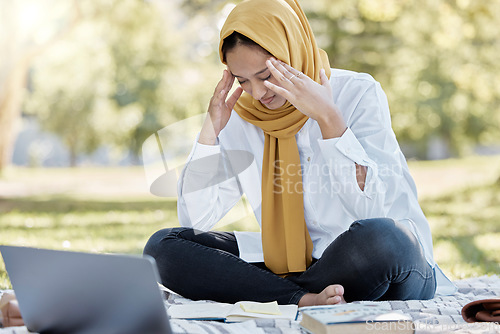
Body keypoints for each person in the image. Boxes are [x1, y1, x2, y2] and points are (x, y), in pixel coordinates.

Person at [144, 0, 455, 307]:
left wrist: (329, 119)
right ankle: (302, 298)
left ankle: (266, 293)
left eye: (266, 76)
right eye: (243, 81)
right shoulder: (242, 113)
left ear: (291, 49)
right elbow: (197, 217)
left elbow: (372, 209)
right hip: (295, 265)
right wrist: (210, 130)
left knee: (383, 238)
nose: (259, 93)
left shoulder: (358, 93)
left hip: (379, 260)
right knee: (163, 246)